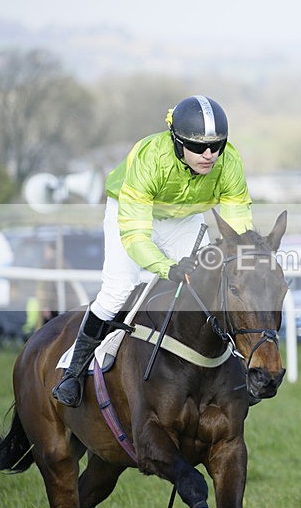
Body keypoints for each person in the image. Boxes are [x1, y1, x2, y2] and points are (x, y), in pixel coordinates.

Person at [52, 95, 253, 407]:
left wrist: (245, 259)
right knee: (119, 289)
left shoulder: (229, 163)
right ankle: (73, 372)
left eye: (217, 146)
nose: (209, 155)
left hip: (183, 216)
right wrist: (167, 267)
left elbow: (238, 224)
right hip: (132, 212)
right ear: (176, 141)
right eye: (199, 147)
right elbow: (135, 236)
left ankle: (239, 367)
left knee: (206, 285)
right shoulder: (149, 158)